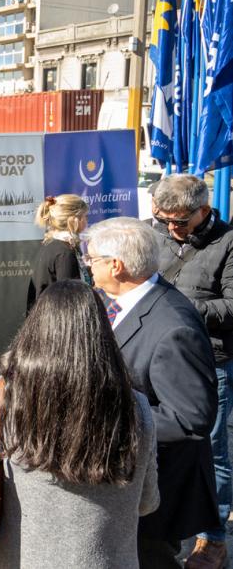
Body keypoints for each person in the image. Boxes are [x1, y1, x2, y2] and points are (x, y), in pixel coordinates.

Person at [0, 280, 159, 568]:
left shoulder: (2, 394)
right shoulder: (136, 407)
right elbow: (147, 502)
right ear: (101, 334)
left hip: (21, 558)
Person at [84, 217, 219, 568]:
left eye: (92, 259)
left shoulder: (173, 326)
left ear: (117, 265)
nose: (87, 266)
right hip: (130, 481)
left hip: (157, 492)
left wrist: (105, 422)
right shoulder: (123, 302)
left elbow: (190, 420)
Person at [151, 174, 233, 569]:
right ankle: (162, 528)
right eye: (163, 219)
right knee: (161, 445)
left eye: (180, 222)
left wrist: (180, 307)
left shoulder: (229, 242)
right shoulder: (159, 234)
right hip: (157, 359)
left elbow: (232, 308)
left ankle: (213, 539)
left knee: (211, 452)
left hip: (210, 362)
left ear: (204, 210)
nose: (171, 228)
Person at [26, 194, 90, 310]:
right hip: (57, 322)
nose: (87, 221)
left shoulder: (53, 244)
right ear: (74, 219)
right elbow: (70, 299)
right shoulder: (64, 252)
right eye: (85, 216)